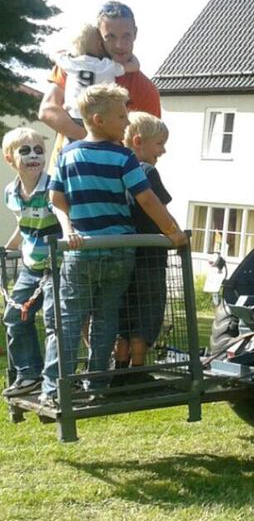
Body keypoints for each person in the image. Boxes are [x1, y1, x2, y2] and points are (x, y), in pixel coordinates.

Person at [39, 83, 186, 406]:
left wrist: (68, 229)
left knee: (70, 319)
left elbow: (56, 198)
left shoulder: (67, 153)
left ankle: (53, 388)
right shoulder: (122, 156)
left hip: (81, 251)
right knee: (106, 317)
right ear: (99, 119)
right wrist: (172, 232)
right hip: (119, 250)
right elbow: (146, 198)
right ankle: (97, 383)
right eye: (121, 116)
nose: (126, 121)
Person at [38, 1, 161, 154]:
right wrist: (93, 139)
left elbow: (149, 144)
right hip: (65, 170)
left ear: (135, 33)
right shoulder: (75, 66)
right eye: (110, 37)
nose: (119, 45)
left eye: (126, 36)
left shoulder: (145, 89)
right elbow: (48, 110)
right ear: (98, 37)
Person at [113, 112, 176, 383]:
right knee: (147, 311)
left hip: (123, 257)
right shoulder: (147, 171)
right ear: (138, 141)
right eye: (159, 143)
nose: (163, 150)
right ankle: (138, 371)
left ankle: (119, 367)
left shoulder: (115, 170)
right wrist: (176, 234)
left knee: (124, 313)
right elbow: (158, 209)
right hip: (150, 257)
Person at [0, 128, 61, 398]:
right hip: (30, 266)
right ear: (10, 158)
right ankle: (28, 374)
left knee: (54, 321)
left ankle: (53, 382)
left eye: (38, 149)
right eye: (25, 151)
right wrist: (7, 248)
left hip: (56, 266)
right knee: (14, 317)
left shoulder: (53, 187)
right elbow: (24, 226)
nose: (34, 155)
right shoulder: (11, 192)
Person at [55, 22, 140, 128]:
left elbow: (55, 55)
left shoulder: (70, 62)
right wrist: (129, 54)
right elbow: (134, 66)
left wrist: (68, 52)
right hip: (101, 117)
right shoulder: (106, 65)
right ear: (100, 45)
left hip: (74, 116)